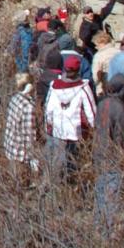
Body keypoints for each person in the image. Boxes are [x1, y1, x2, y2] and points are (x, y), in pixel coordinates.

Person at [43, 54, 96, 183]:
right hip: (75, 132)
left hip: (57, 130)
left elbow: (48, 108)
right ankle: (71, 187)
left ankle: (55, 188)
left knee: (55, 163)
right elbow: (91, 111)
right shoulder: (83, 88)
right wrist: (94, 128)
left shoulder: (54, 86)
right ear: (78, 70)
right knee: (72, 163)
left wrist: (47, 126)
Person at [94, 74, 124, 235]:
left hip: (98, 152)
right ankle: (107, 233)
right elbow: (120, 137)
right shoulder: (119, 108)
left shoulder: (102, 103)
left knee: (100, 191)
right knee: (111, 193)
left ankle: (97, 226)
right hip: (112, 155)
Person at [2, 74, 39, 183]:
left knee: (14, 181)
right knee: (23, 184)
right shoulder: (28, 107)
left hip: (11, 147)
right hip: (21, 155)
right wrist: (34, 158)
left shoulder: (15, 98)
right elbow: (29, 136)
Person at [78, 0, 121, 65]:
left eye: (91, 11)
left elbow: (109, 7)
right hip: (91, 49)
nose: (90, 14)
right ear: (84, 15)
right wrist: (91, 29)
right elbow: (84, 37)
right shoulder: (84, 25)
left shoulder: (97, 18)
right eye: (87, 13)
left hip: (102, 45)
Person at [9, 9, 35, 73]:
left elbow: (13, 48)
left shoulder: (20, 31)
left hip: (22, 63)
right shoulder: (25, 31)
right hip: (25, 62)